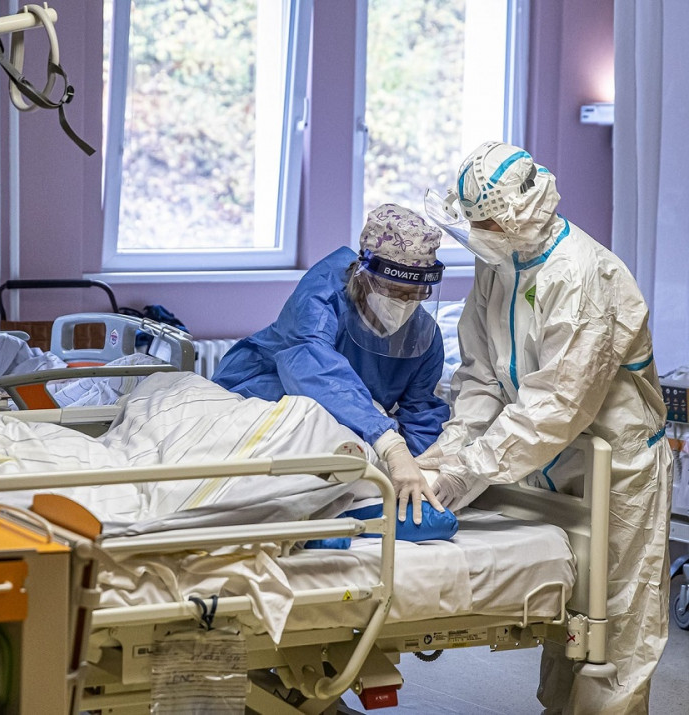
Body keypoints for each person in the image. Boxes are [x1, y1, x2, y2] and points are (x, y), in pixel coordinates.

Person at [420, 141, 672, 714]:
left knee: (617, 624)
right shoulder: (499, 264)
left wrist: (469, 472)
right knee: (570, 618)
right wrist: (447, 456)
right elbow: (481, 376)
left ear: (519, 216)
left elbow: (557, 403)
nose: (476, 234)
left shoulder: (578, 275)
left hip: (617, 464)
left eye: (484, 222)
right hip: (548, 460)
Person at [212, 204, 450, 525]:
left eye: (415, 294)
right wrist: (390, 444)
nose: (403, 304)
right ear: (364, 275)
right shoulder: (321, 298)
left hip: (354, 423)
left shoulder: (423, 337)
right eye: (394, 291)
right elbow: (313, 368)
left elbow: (421, 410)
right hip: (260, 394)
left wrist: (419, 466)